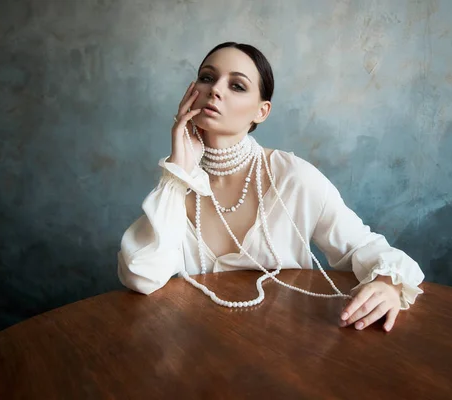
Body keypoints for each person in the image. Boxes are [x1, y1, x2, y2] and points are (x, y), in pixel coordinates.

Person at [117, 42, 425, 332]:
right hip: (197, 349)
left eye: (236, 85)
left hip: (284, 351)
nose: (215, 90)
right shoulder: (179, 182)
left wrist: (387, 283)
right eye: (207, 78)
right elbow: (141, 275)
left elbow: (364, 247)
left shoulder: (293, 178)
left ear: (261, 112)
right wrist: (177, 173)